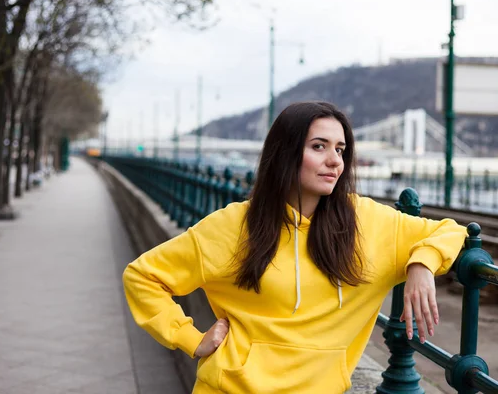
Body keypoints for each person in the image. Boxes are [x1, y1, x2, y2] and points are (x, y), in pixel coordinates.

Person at [123, 101, 467, 393]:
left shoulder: (367, 221)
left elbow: (451, 231)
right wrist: (190, 338)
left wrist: (421, 264)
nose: (335, 160)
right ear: (285, 153)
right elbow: (142, 277)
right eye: (319, 146)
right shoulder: (232, 226)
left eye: (340, 149)